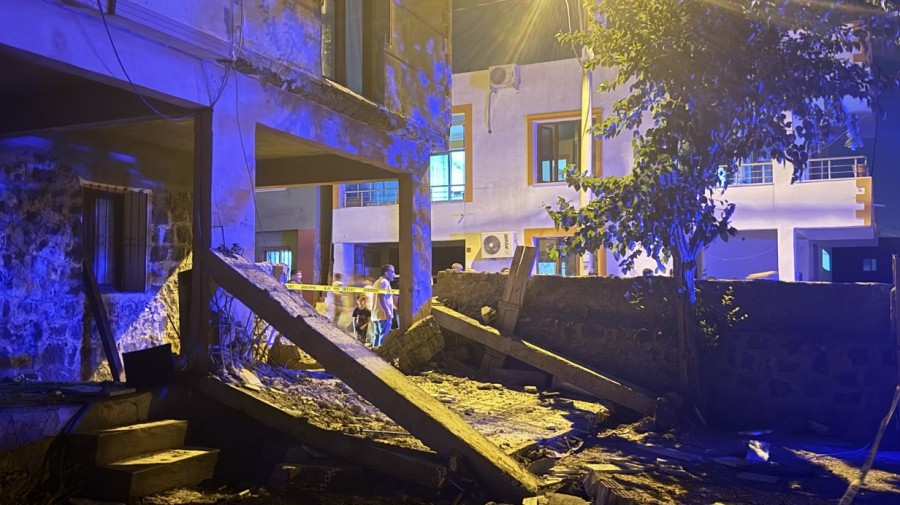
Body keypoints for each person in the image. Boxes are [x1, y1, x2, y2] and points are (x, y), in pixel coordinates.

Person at [371, 264, 395, 347]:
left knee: (377, 337)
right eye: (392, 272)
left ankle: (373, 354)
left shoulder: (377, 282)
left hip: (376, 315)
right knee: (384, 340)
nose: (394, 274)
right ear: (386, 273)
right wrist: (387, 311)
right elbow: (381, 296)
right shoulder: (384, 282)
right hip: (383, 315)